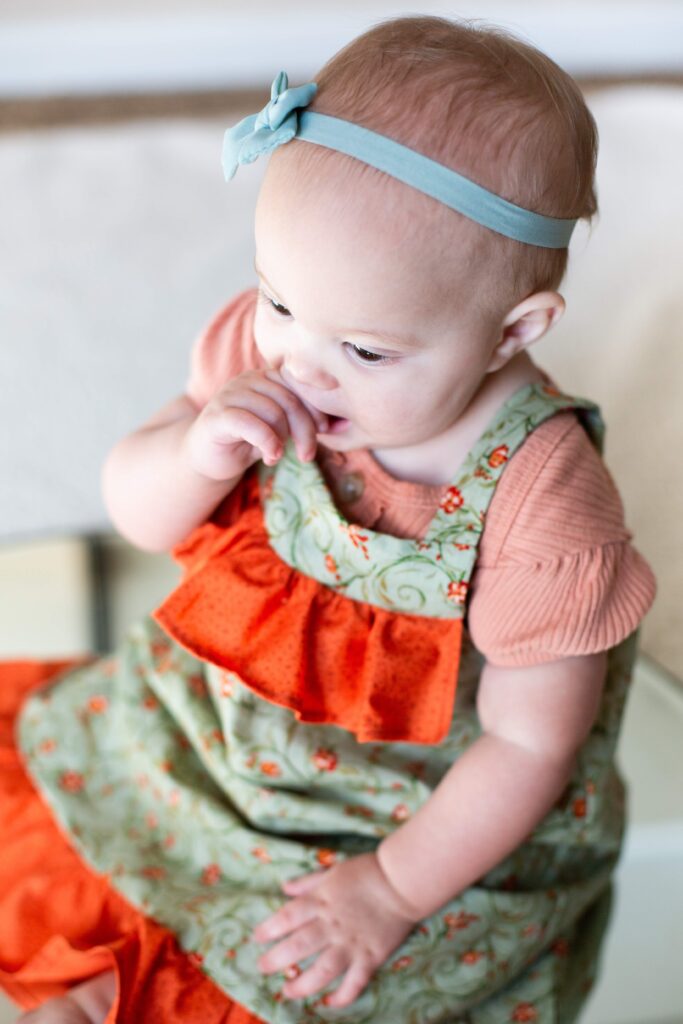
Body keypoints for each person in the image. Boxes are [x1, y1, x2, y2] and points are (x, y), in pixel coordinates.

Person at [0, 15, 657, 1024]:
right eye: (277, 300)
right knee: (86, 835)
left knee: (310, 973)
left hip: (403, 824)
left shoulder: (544, 507)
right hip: (210, 738)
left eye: (366, 350)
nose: (299, 363)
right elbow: (137, 515)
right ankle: (95, 981)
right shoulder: (277, 355)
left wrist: (388, 892)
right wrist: (192, 450)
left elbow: (531, 750)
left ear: (509, 334)